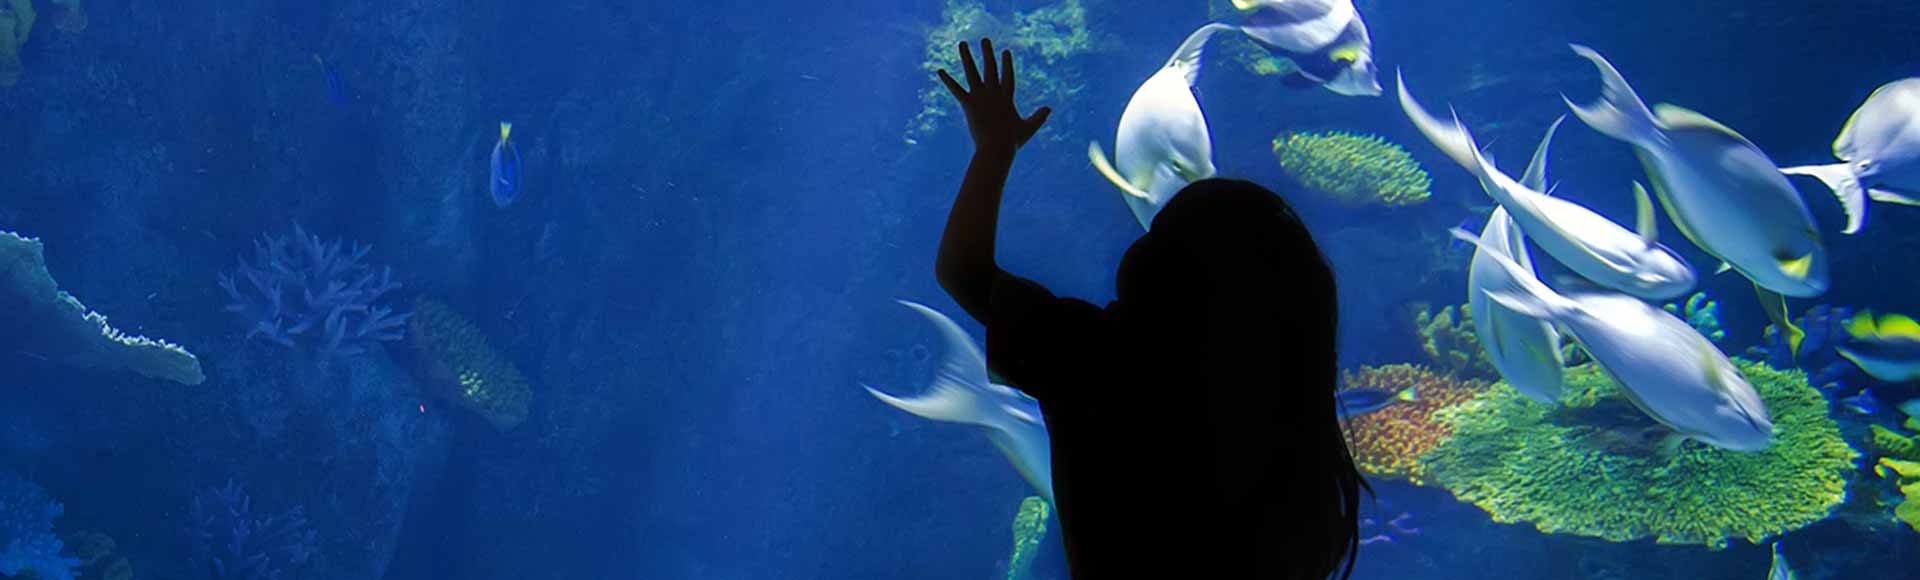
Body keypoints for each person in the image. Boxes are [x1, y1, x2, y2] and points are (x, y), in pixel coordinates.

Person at [933, 39, 1367, 579]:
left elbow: (963, 271)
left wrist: (994, 150)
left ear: (1157, 269)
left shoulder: (1100, 361)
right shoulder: (1287, 405)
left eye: (1160, 233)